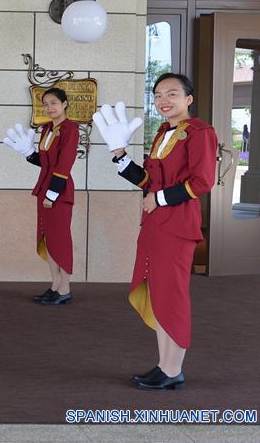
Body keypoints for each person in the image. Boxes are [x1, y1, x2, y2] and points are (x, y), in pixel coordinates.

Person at [92, 73, 218, 391]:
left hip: (176, 226)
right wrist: (120, 156)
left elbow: (203, 182)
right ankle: (165, 365)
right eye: (158, 94)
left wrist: (158, 198)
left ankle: (174, 369)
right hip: (154, 225)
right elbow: (150, 181)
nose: (163, 100)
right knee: (160, 293)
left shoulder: (201, 133)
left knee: (173, 296)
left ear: (188, 99)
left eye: (172, 94)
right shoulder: (163, 132)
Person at [4, 88, 79, 305]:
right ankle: (55, 285)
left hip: (58, 191)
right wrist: (28, 153)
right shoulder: (47, 128)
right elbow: (45, 162)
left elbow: (64, 163)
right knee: (49, 239)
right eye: (45, 104)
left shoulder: (70, 129)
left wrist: (53, 193)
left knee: (61, 240)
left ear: (64, 104)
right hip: (44, 188)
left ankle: (65, 289)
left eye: (53, 103)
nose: (49, 107)